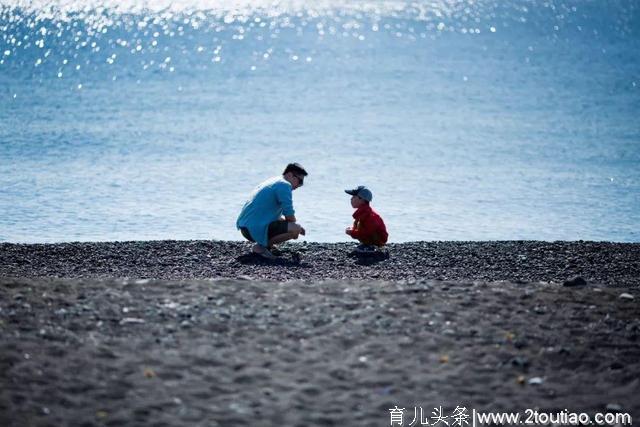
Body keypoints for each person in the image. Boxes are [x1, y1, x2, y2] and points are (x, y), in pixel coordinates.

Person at [236, 163, 307, 259]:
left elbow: (268, 213)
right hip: (253, 229)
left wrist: (291, 224)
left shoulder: (273, 181)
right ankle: (260, 247)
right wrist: (296, 228)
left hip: (246, 227)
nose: (300, 185)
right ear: (290, 175)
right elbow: (289, 214)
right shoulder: (284, 185)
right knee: (295, 229)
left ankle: (266, 245)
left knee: (293, 227)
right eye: (300, 180)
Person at [345, 185, 388, 252]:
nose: (351, 199)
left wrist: (352, 232)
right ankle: (366, 245)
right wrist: (352, 231)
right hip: (370, 237)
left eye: (354, 197)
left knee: (362, 226)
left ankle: (372, 246)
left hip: (379, 240)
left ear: (361, 199)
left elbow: (367, 232)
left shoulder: (369, 215)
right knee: (358, 224)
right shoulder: (362, 213)